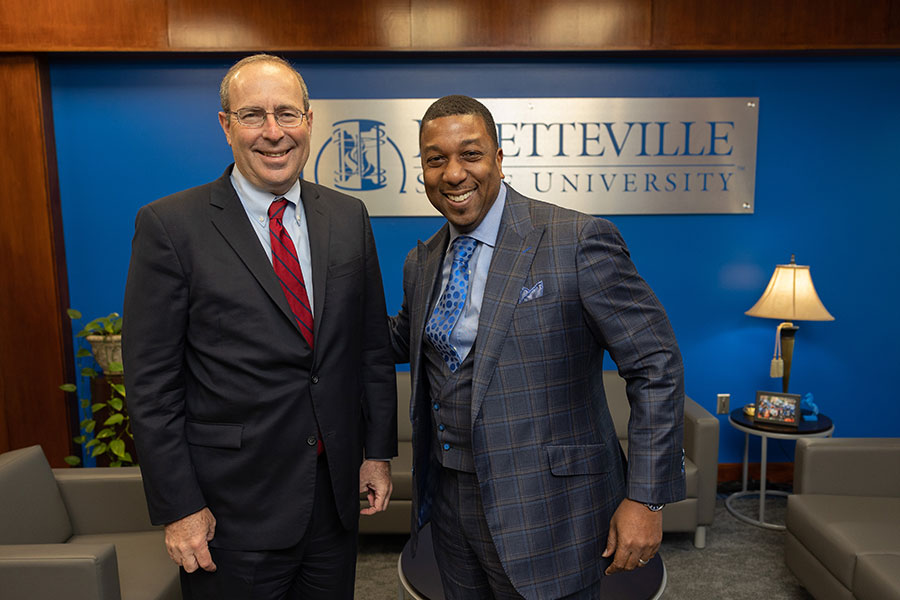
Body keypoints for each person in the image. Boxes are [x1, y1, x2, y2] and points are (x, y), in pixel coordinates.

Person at [122, 54, 397, 600]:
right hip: (229, 513)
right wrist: (180, 508)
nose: (273, 133)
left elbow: (368, 349)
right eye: (253, 115)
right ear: (226, 126)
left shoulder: (347, 217)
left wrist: (375, 452)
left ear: (309, 121)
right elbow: (152, 386)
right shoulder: (170, 227)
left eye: (287, 114)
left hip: (332, 505)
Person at [389, 95, 685, 599]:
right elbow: (403, 337)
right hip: (451, 503)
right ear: (422, 171)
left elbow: (655, 363)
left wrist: (647, 498)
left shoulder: (576, 239)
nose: (454, 173)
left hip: (550, 510)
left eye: (471, 154)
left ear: (500, 159)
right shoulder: (423, 261)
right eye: (436, 159)